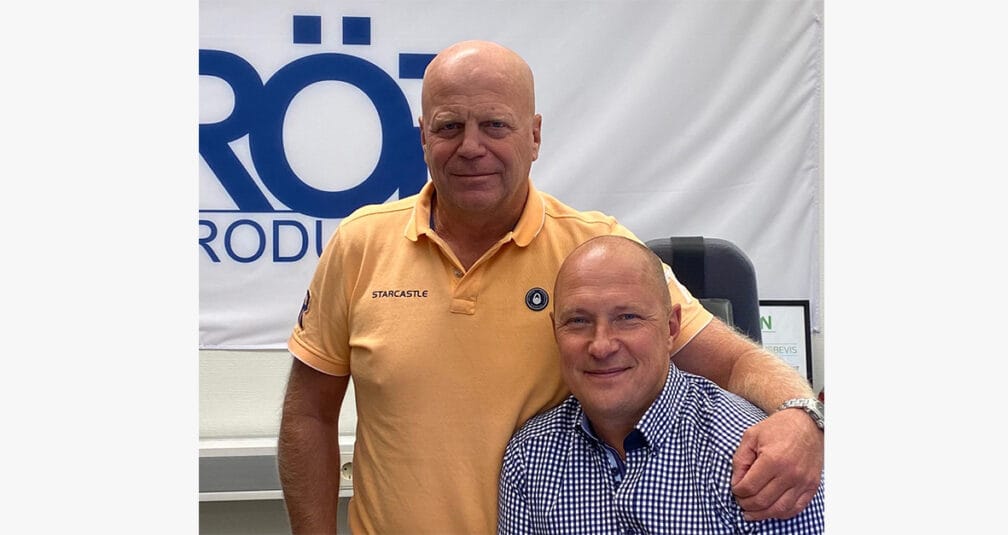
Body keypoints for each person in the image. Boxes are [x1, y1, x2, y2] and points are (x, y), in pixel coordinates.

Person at [277, 39, 824, 534]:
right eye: (449, 127)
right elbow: (309, 415)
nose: (471, 146)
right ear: (423, 137)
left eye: (495, 125)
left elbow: (734, 361)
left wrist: (802, 417)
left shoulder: (594, 253)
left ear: (534, 135)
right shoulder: (359, 245)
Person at [498, 235, 825, 533]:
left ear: (671, 328)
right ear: (555, 331)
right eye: (578, 321)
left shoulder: (757, 457)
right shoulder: (529, 459)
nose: (601, 346)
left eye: (627, 318)